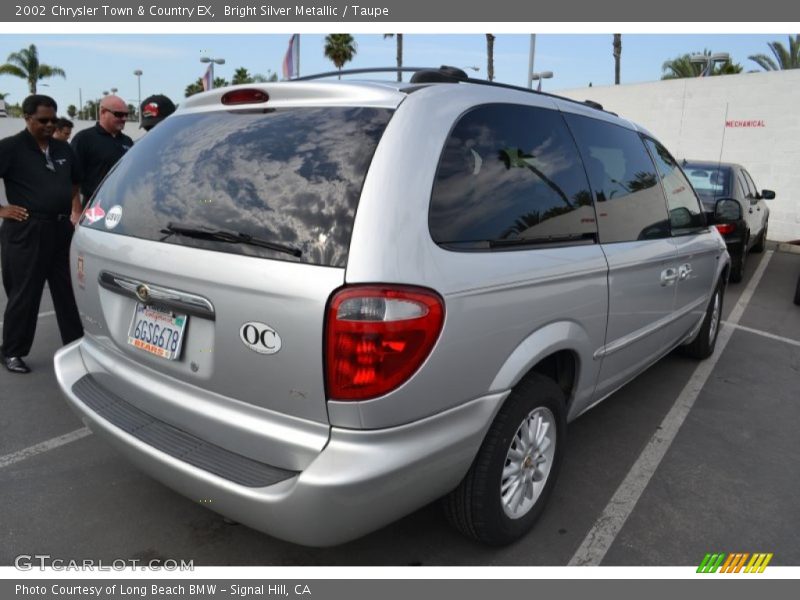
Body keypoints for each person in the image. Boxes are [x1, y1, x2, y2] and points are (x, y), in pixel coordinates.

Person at [0, 94, 83, 374]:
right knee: (25, 293)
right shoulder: (10, 148)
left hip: (60, 229)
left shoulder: (63, 149)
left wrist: (69, 206)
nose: (49, 125)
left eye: (53, 120)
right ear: (27, 118)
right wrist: (2, 210)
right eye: (43, 120)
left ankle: (76, 346)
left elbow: (74, 182)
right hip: (27, 229)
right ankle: (12, 351)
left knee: (68, 291)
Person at [70, 94, 134, 205]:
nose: (124, 119)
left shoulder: (127, 141)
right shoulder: (84, 139)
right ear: (103, 112)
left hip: (123, 203)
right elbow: (71, 178)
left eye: (126, 115)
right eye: (118, 114)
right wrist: (76, 210)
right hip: (94, 204)